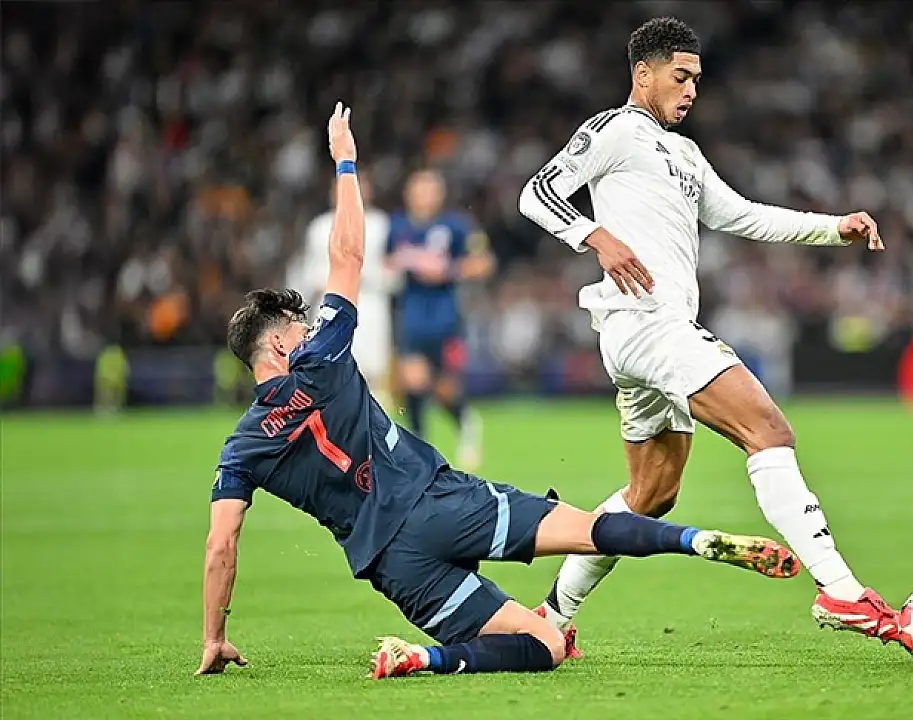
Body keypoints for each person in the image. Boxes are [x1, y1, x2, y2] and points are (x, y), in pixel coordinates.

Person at [197, 103, 800, 680]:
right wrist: (346, 162)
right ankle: (692, 541)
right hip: (442, 501)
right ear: (280, 346)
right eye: (297, 329)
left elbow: (222, 543)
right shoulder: (321, 360)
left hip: (393, 562)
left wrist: (213, 636)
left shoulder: (241, 449)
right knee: (590, 530)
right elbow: (349, 254)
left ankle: (423, 659)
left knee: (545, 647)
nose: (307, 332)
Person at [517, 17, 899, 658]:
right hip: (649, 326)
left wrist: (834, 228)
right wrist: (596, 237)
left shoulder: (685, 155)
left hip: (645, 335)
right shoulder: (615, 131)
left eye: (697, 79)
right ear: (643, 73)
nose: (692, 90)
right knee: (768, 430)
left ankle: (553, 615)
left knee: (651, 495)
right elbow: (538, 192)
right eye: (681, 76)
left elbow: (742, 215)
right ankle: (840, 589)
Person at [386, 169, 492, 469]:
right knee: (413, 381)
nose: (425, 196)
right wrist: (400, 264)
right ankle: (419, 451)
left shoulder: (456, 226)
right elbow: (384, 263)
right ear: (409, 193)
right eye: (419, 189)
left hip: (446, 317)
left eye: (431, 189)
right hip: (411, 315)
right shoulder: (397, 227)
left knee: (445, 388)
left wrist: (448, 269)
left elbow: (484, 263)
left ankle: (466, 423)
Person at [287, 173, 397, 405]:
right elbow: (309, 271)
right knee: (329, 368)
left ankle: (373, 421)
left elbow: (393, 268)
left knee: (372, 370)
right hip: (330, 302)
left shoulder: (381, 225)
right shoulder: (320, 226)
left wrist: (374, 278)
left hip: (370, 302)